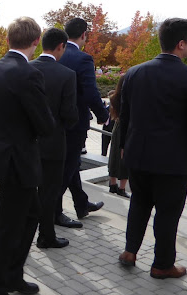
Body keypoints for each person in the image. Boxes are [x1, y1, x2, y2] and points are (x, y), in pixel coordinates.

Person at [0, 16, 54, 295]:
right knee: (8, 228)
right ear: (36, 41)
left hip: (5, 158)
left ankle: (12, 275)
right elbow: (44, 124)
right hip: (19, 161)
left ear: (8, 40)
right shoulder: (29, 74)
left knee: (31, 214)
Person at [118, 18, 187, 279]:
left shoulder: (134, 72)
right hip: (173, 160)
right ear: (181, 44)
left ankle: (130, 251)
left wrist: (123, 146)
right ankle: (162, 264)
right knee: (168, 213)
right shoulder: (186, 77)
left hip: (137, 153)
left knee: (139, 203)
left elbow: (125, 116)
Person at [56, 17, 109, 228]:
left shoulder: (56, 54)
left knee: (72, 164)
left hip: (54, 122)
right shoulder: (83, 59)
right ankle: (52, 211)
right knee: (68, 166)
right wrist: (103, 115)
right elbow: (90, 93)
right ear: (84, 35)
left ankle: (81, 203)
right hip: (75, 123)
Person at [30, 28, 78, 249]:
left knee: (27, 191)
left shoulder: (26, 68)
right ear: (61, 46)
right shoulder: (66, 75)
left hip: (27, 143)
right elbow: (69, 115)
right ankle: (45, 235)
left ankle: (23, 235)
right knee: (49, 192)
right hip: (54, 144)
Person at [107, 76, 129, 197]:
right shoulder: (130, 98)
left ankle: (112, 184)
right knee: (124, 156)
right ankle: (122, 188)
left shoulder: (114, 98)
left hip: (117, 126)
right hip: (128, 127)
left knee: (114, 154)